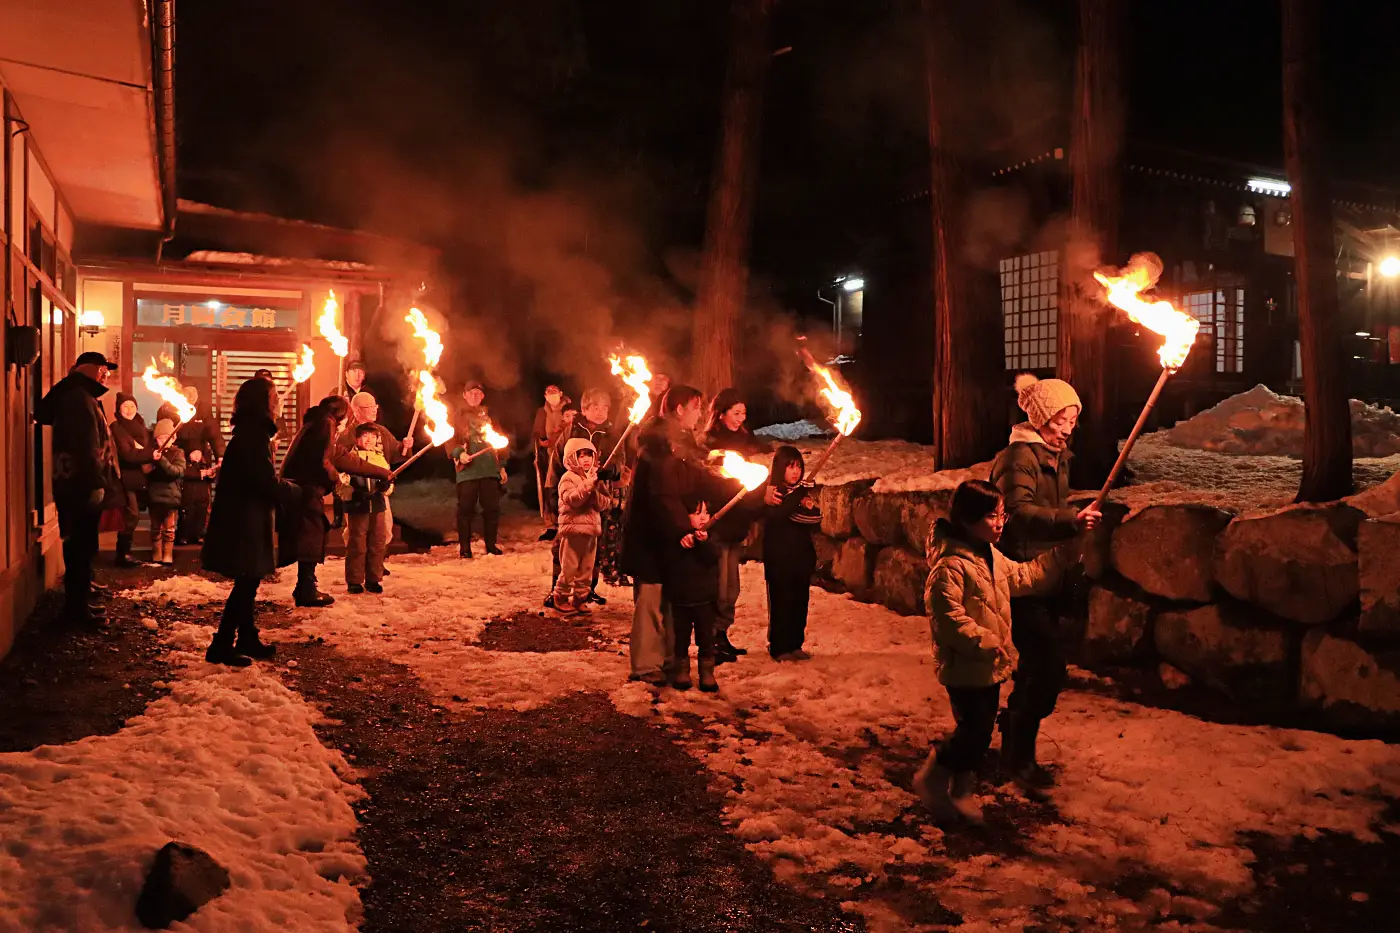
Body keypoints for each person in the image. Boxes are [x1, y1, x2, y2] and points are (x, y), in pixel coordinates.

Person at [913, 480, 1072, 823]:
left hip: (989, 664)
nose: (1000, 523)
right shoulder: (951, 566)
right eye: (990, 516)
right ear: (967, 519)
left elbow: (1024, 576)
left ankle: (960, 792)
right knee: (974, 731)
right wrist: (985, 641)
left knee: (978, 731)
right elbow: (947, 617)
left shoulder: (989, 556)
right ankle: (933, 776)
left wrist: (1062, 556)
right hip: (966, 665)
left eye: (1001, 515)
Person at [990, 374, 1101, 792]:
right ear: (1040, 417)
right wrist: (1068, 520)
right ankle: (1017, 754)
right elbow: (1016, 511)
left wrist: (1072, 519)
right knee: (1044, 665)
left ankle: (1015, 734)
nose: (1068, 427)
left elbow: (1049, 508)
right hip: (1023, 572)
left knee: (1045, 668)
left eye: (1073, 418)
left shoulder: (1056, 455)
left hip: (1051, 569)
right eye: (1061, 418)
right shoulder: (1019, 457)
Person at [202, 377, 299, 666]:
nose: (279, 401)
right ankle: (221, 644)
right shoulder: (253, 435)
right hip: (244, 521)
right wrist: (293, 490)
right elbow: (262, 481)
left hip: (246, 518)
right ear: (264, 403)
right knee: (246, 581)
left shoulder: (252, 432)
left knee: (250, 580)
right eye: (275, 396)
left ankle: (246, 637)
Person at [621, 384, 708, 685]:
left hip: (672, 538)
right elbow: (662, 494)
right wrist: (684, 523)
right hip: (651, 539)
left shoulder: (681, 442)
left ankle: (667, 659)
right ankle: (646, 665)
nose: (700, 413)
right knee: (650, 603)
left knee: (670, 601)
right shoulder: (657, 444)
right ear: (679, 409)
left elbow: (690, 481)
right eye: (696, 406)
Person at [35, 352, 124, 625]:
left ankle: (80, 603)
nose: (106, 374)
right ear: (91, 370)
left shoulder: (79, 396)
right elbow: (86, 447)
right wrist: (95, 483)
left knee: (82, 546)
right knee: (79, 547)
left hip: (75, 484)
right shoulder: (78, 399)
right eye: (102, 369)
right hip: (79, 486)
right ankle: (76, 610)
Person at [702, 388, 773, 659]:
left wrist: (754, 512)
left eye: (744, 413)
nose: (741, 418)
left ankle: (721, 634)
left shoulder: (744, 440)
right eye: (735, 413)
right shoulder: (711, 443)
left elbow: (750, 481)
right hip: (719, 521)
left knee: (732, 587)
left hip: (738, 520)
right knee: (720, 585)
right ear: (720, 414)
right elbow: (713, 482)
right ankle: (711, 637)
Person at [547, 387, 621, 605]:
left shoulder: (611, 435)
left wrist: (612, 471)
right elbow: (556, 461)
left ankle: (587, 589)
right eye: (595, 407)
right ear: (584, 409)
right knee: (564, 547)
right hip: (572, 497)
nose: (600, 412)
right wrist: (554, 491)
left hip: (596, 497)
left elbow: (621, 461)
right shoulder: (571, 431)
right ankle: (557, 590)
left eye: (605, 407)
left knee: (593, 546)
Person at [762, 446, 821, 661]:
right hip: (779, 559)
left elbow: (814, 517)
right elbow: (780, 515)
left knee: (799, 601)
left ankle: (795, 643)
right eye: (790, 466)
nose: (795, 471)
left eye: (798, 466)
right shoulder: (772, 493)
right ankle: (779, 646)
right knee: (781, 602)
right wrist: (798, 495)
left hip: (800, 558)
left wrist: (804, 498)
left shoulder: (801, 493)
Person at [333, 392, 404, 571]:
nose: (374, 410)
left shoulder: (382, 431)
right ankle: (357, 567)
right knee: (357, 533)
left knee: (383, 530)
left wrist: (405, 446)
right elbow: (340, 465)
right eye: (369, 407)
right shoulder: (347, 435)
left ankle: (376, 562)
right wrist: (348, 489)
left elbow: (395, 454)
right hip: (357, 493)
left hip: (378, 492)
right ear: (356, 410)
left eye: (375, 406)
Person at [661, 495, 721, 692]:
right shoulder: (678, 537)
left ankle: (707, 672)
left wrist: (704, 543)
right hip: (681, 598)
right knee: (681, 637)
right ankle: (682, 670)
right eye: (696, 513)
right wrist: (681, 542)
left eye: (706, 512)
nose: (702, 518)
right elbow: (669, 561)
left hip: (705, 598)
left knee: (706, 637)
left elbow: (714, 557)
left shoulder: (711, 537)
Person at [552, 438, 611, 613]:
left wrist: (595, 491)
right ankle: (560, 595)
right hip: (573, 531)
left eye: (589, 455)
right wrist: (587, 486)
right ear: (571, 458)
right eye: (581, 455)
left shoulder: (593, 477)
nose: (586, 459)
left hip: (591, 531)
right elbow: (572, 500)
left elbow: (604, 503)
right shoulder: (567, 478)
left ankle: (580, 597)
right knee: (569, 567)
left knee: (586, 568)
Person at [450, 382, 507, 558]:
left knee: (492, 509)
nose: (475, 396)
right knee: (465, 510)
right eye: (471, 393)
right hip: (468, 471)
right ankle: (465, 548)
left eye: (478, 393)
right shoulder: (457, 416)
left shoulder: (489, 416)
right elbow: (450, 440)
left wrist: (502, 466)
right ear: (464, 395)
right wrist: (459, 454)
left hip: (489, 469)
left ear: (482, 396)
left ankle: (491, 545)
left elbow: (501, 441)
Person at [341, 422, 394, 594]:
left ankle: (373, 579)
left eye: (373, 436)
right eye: (365, 436)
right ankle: (354, 580)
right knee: (357, 543)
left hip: (377, 506)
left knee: (377, 543)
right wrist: (353, 492)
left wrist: (386, 487)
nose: (369, 440)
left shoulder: (380, 458)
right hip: (358, 506)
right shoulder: (349, 458)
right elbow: (341, 483)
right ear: (357, 438)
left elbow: (390, 483)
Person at [173, 386, 224, 545]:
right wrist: (187, 452)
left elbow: (214, 434)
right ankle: (183, 533)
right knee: (186, 502)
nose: (191, 397)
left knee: (203, 502)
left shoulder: (204, 410)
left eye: (194, 394)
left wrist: (220, 455)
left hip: (202, 458)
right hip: (183, 458)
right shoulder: (173, 407)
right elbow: (172, 435)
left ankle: (200, 533)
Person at [110, 392, 156, 567]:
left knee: (133, 515)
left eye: (132, 406)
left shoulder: (140, 426)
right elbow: (127, 454)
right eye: (125, 406)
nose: (129, 410)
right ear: (118, 409)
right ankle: (122, 554)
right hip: (124, 478)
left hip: (139, 476)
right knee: (132, 515)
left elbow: (145, 447)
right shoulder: (117, 428)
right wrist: (148, 453)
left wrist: (147, 451)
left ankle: (126, 553)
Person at [532, 385, 571, 542]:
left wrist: (553, 440)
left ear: (561, 394)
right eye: (549, 393)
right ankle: (551, 525)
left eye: (555, 393)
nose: (552, 396)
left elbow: (567, 428)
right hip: (548, 456)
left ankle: (566, 521)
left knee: (565, 487)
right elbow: (537, 432)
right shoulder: (542, 412)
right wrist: (540, 444)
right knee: (548, 489)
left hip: (565, 454)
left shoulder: (568, 409)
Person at [146, 420, 186, 566]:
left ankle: (168, 554)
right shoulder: (152, 453)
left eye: (166, 437)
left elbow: (176, 472)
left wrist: (161, 460)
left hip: (171, 496)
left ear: (173, 438)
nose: (163, 441)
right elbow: (146, 471)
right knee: (155, 527)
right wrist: (151, 459)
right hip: (154, 495)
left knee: (169, 528)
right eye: (160, 438)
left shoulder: (178, 453)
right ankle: (156, 553)